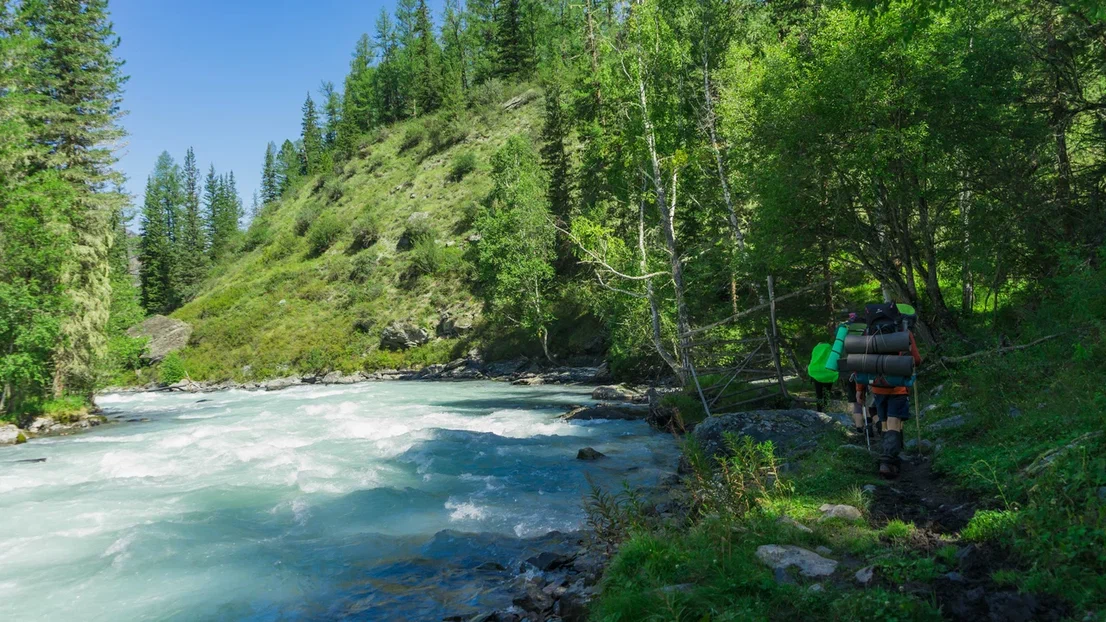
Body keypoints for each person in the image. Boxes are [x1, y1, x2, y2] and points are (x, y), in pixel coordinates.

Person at [855, 312, 922, 479]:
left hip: (877, 387)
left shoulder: (869, 333)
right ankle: (887, 461)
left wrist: (859, 389)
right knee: (894, 422)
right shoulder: (903, 332)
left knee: (885, 424)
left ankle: (892, 462)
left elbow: (862, 364)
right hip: (897, 388)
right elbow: (917, 359)